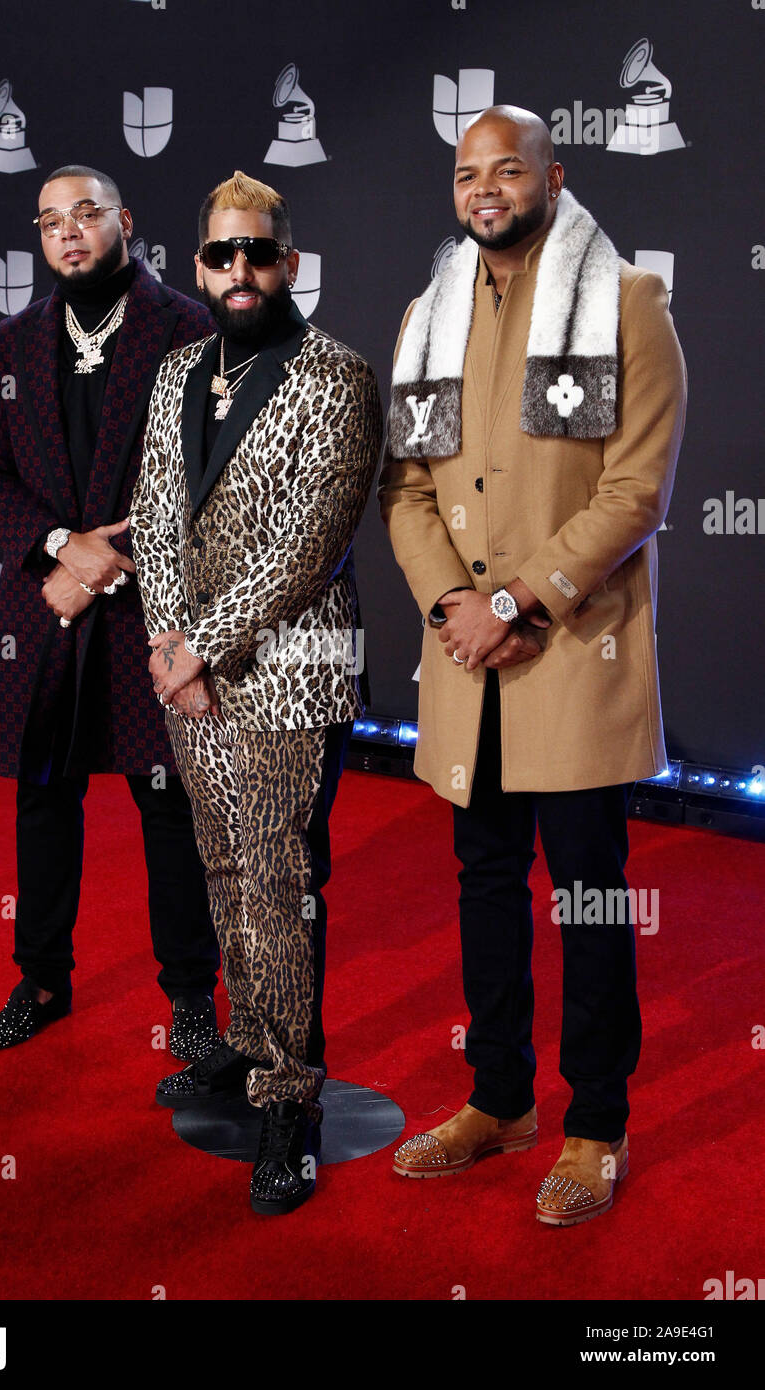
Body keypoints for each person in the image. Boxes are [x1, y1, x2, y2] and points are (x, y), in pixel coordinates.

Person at [379, 107, 686, 1225]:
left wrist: (516, 601)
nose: (485, 188)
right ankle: (498, 1098)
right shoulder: (428, 314)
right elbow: (407, 490)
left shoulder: (621, 301)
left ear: (553, 175)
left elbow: (633, 492)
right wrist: (456, 604)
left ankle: (594, 1125)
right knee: (483, 883)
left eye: (507, 169)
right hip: (468, 659)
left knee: (593, 897)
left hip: (567, 651)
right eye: (468, 174)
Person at [130, 171, 382, 1215]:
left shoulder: (336, 377)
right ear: (199, 265)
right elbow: (149, 514)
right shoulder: (177, 371)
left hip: (289, 667)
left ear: (289, 262)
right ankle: (243, 1044)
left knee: (276, 878)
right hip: (188, 670)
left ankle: (291, 1100)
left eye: (259, 254)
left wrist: (200, 648)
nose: (241, 271)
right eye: (222, 255)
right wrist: (163, 641)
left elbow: (307, 549)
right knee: (221, 860)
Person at [0, 164, 222, 1063]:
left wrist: (102, 565)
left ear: (124, 221)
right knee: (44, 799)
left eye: (85, 215)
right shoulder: (11, 345)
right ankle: (40, 978)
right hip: (44, 608)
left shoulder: (186, 330)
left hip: (154, 614)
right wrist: (56, 548)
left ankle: (190, 998)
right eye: (49, 223)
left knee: (169, 806)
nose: (68, 233)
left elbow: (207, 483)